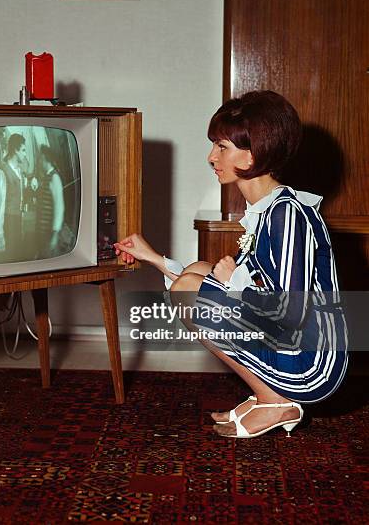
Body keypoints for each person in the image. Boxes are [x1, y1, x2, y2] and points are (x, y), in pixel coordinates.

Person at [114, 90, 348, 439]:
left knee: (190, 289)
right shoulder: (269, 210)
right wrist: (153, 258)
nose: (211, 157)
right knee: (195, 271)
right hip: (295, 346)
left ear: (253, 153)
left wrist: (234, 283)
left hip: (312, 362)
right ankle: (267, 395)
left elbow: (290, 312)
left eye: (222, 147)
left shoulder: (287, 215)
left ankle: (276, 400)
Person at [0, 133, 27, 260]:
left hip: (17, 220)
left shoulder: (18, 170)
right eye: (23, 150)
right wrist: (0, 234)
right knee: (10, 258)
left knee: (18, 256)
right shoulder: (3, 172)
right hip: (8, 222)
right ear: (15, 150)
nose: (25, 154)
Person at [34, 145, 67, 258]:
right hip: (42, 231)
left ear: (45, 159)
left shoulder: (54, 178)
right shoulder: (46, 177)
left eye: (40, 159)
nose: (39, 161)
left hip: (49, 232)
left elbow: (59, 207)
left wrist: (55, 233)